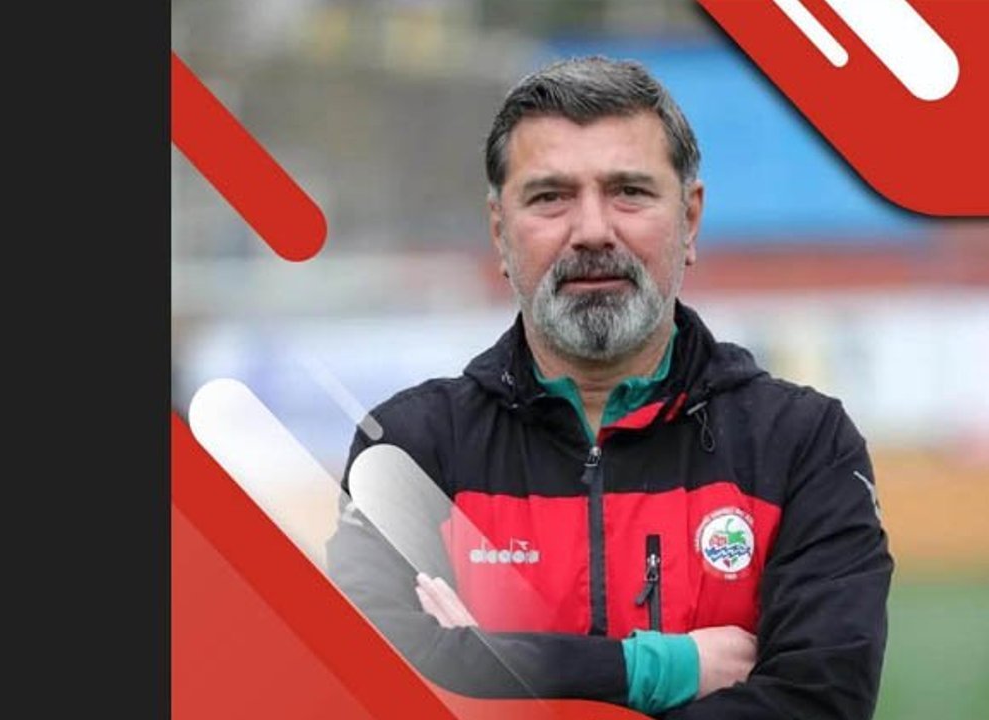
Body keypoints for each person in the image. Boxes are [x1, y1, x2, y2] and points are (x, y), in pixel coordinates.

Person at [326, 55, 893, 719]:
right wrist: (658, 668)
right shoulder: (409, 448)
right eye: (550, 197)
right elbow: (356, 678)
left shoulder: (802, 445)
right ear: (500, 231)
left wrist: (483, 669)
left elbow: (820, 703)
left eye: (629, 191)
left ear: (690, 220)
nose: (592, 231)